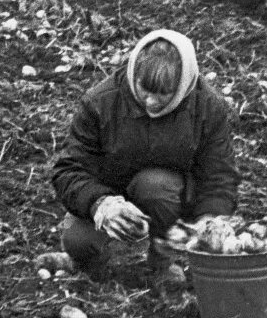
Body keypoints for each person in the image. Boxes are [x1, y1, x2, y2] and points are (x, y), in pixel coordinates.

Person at [50, 29, 239, 285]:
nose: (151, 102)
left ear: (183, 86)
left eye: (163, 93)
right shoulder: (100, 102)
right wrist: (100, 205)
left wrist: (210, 222)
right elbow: (69, 169)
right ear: (133, 75)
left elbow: (219, 176)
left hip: (174, 203)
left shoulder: (207, 107)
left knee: (154, 185)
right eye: (144, 89)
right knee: (77, 240)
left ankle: (161, 262)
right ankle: (109, 262)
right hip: (113, 196)